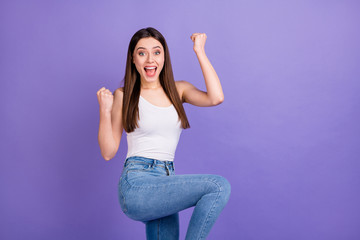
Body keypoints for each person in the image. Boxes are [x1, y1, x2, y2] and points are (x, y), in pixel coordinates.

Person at [97, 27, 231, 240]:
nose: (150, 59)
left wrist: (200, 51)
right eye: (142, 53)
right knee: (218, 186)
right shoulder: (124, 95)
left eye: (156, 52)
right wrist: (105, 111)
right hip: (137, 184)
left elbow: (216, 98)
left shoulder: (179, 90)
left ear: (164, 57)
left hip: (166, 182)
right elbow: (108, 151)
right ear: (133, 59)